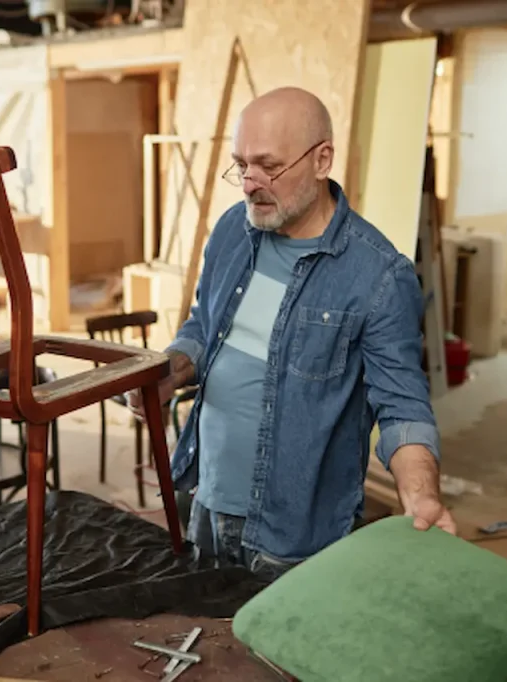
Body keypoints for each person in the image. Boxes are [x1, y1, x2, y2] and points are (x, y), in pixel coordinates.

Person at [131, 86, 455, 581]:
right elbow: (204, 324)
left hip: (297, 536)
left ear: (322, 159)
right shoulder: (231, 232)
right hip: (207, 500)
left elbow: (403, 406)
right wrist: (172, 369)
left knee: (279, 658)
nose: (249, 183)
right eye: (241, 164)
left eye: (268, 165)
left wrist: (421, 494)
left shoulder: (379, 275)